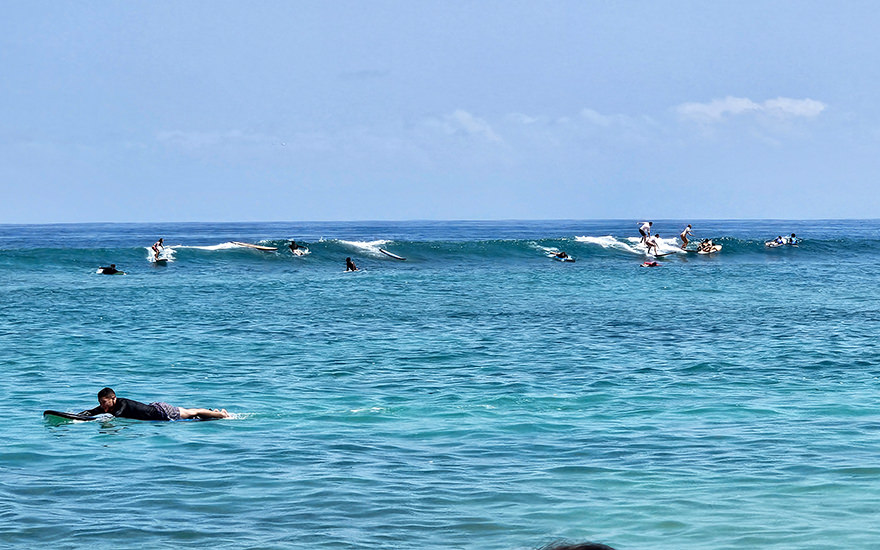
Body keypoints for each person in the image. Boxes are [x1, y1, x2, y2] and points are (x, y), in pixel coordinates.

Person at [80, 387, 229, 421]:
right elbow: (92, 412)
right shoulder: (108, 407)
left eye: (104, 402)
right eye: (100, 403)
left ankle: (221, 414)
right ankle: (213, 412)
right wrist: (77, 417)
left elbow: (117, 415)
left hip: (162, 412)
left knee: (192, 412)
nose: (102, 406)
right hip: (155, 410)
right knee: (193, 415)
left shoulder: (121, 404)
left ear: (113, 398)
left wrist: (105, 418)